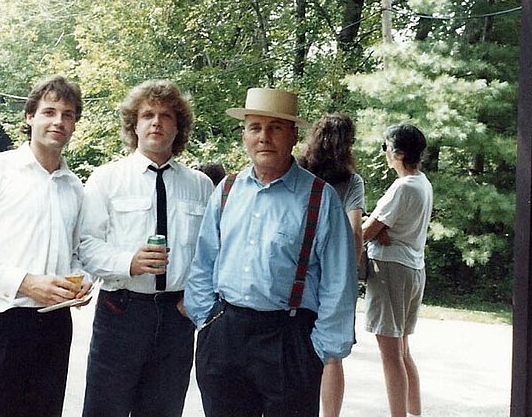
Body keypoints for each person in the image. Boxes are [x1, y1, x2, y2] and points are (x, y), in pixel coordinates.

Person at [185, 87, 357, 416]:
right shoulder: (227, 190)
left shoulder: (320, 199)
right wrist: (206, 320)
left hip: (289, 340)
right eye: (255, 128)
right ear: (245, 136)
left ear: (293, 136)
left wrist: (320, 350)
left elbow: (339, 282)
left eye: (275, 128)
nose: (264, 137)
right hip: (224, 333)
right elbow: (203, 262)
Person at [0, 75, 91, 417]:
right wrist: (23, 281)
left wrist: (80, 280)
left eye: (68, 115)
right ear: (30, 117)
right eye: (49, 111)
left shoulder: (74, 186)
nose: (58, 121)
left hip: (53, 327)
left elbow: (76, 254)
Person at [78, 79, 213, 417]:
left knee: (163, 409)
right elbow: (85, 246)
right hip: (121, 310)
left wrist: (196, 297)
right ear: (134, 125)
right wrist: (129, 262)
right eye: (148, 115)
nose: (156, 122)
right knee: (104, 408)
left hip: (176, 316)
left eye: (166, 116)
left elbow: (211, 253)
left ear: (177, 126)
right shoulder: (107, 179)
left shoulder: (200, 186)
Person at [361, 123, 432, 417]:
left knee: (390, 354)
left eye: (386, 147)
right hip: (413, 268)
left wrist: (372, 227)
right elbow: (381, 226)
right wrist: (378, 228)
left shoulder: (402, 187)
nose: (385, 153)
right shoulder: (422, 183)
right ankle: (414, 413)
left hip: (390, 270)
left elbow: (365, 231)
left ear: (398, 153)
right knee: (402, 351)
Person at [298, 113, 365, 417]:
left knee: (296, 347)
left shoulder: (298, 169)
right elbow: (354, 230)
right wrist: (349, 273)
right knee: (333, 355)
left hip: (298, 271)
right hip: (333, 273)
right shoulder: (352, 181)